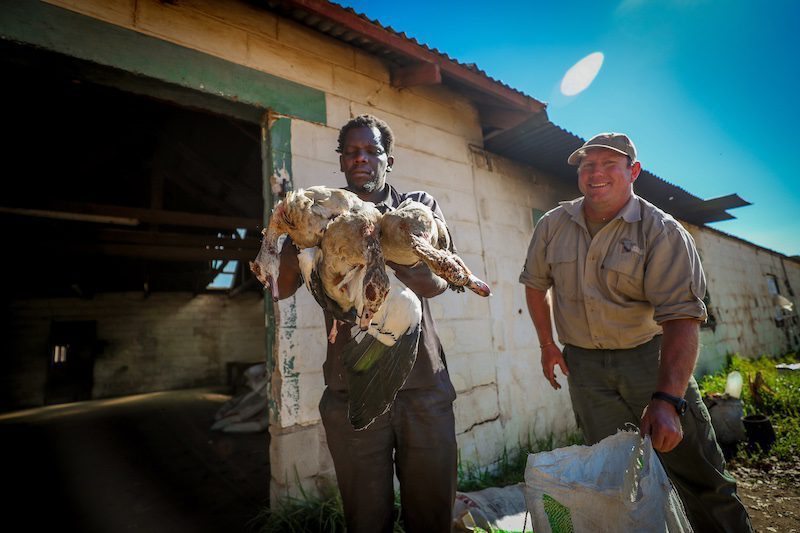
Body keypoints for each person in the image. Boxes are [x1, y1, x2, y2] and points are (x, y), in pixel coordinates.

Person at [519, 132, 753, 532]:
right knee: (615, 479)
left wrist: (667, 398)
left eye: (609, 164)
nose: (596, 173)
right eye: (588, 164)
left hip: (651, 359)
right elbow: (535, 283)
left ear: (633, 171)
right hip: (587, 370)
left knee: (699, 476)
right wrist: (547, 344)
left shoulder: (661, 231)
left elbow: (681, 318)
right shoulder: (554, 225)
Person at [274, 114, 457, 533]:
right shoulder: (322, 218)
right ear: (341, 162)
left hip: (423, 390)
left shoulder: (417, 208)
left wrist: (384, 239)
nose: (362, 159)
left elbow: (437, 285)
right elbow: (280, 288)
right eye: (353, 152)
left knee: (431, 516)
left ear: (388, 160)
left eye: (372, 151)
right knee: (366, 519)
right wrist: (291, 227)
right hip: (351, 392)